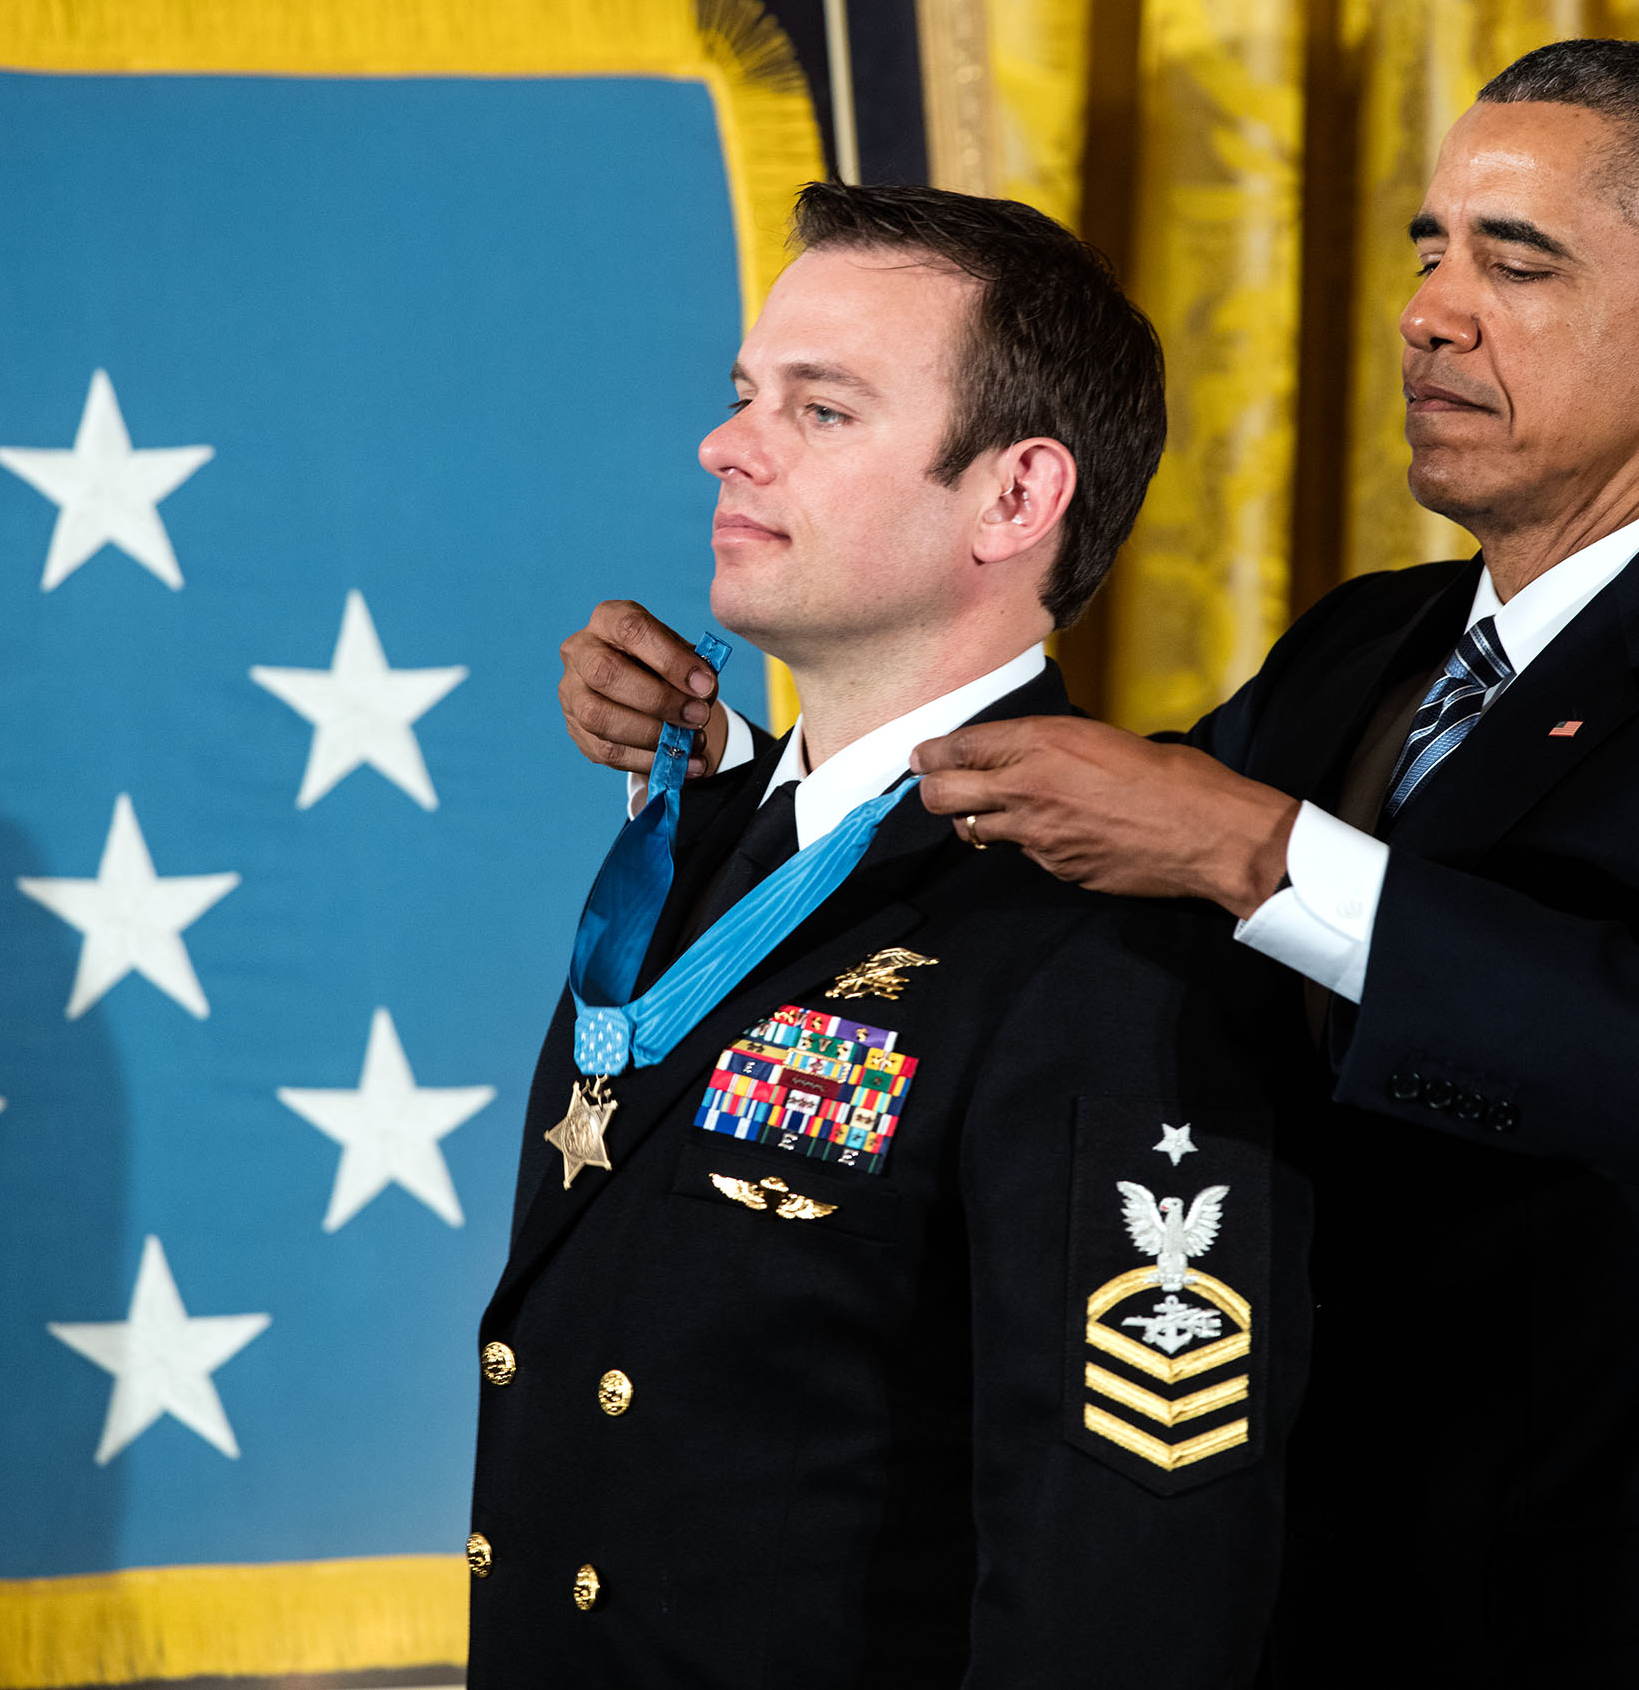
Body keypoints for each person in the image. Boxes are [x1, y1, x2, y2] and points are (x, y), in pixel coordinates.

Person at [558, 42, 1639, 1687]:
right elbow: (1043, 862)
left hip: (1597, 1630)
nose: (1432, 309)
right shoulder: (1372, 643)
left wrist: (1267, 847)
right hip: (1300, 1603)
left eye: (1516, 261)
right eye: (1432, 248)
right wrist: (724, 771)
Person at [470, 183, 1310, 1687]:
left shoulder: (1103, 932)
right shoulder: (712, 839)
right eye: (743, 396)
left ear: (1013, 499)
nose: (730, 444)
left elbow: (1125, 1572)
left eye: (825, 410)